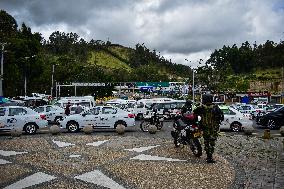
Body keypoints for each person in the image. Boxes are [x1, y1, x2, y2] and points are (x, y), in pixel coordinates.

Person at [193, 94, 224, 163]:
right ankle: (210, 156)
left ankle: (208, 156)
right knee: (212, 143)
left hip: (205, 128)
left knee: (206, 142)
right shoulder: (216, 107)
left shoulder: (201, 108)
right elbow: (221, 117)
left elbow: (194, 112)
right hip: (213, 129)